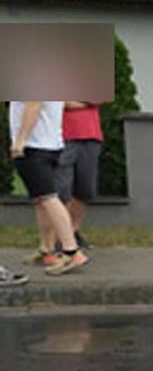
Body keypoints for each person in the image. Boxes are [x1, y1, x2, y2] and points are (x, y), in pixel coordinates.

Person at [10, 101, 88, 275]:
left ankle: (71, 251)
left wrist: (20, 140)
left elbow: (34, 105)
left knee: (48, 198)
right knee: (41, 199)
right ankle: (47, 249)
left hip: (34, 145)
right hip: (51, 144)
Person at [55, 100, 104, 249]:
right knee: (62, 189)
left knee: (85, 189)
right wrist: (88, 102)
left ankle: (72, 232)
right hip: (62, 136)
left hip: (91, 134)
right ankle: (61, 237)